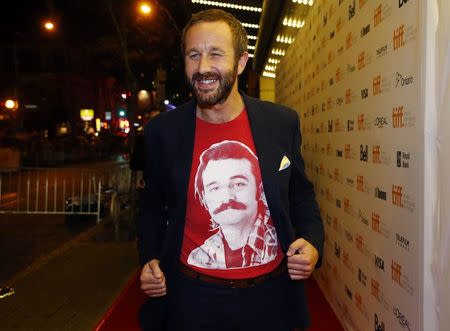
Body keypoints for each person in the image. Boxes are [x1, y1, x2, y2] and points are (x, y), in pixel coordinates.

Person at [137, 9, 324, 331]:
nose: (203, 68)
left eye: (215, 54)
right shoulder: (162, 132)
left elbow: (301, 196)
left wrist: (312, 243)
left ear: (240, 62)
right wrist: (149, 258)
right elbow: (152, 206)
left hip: (271, 300)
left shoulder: (281, 123)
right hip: (192, 300)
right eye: (193, 55)